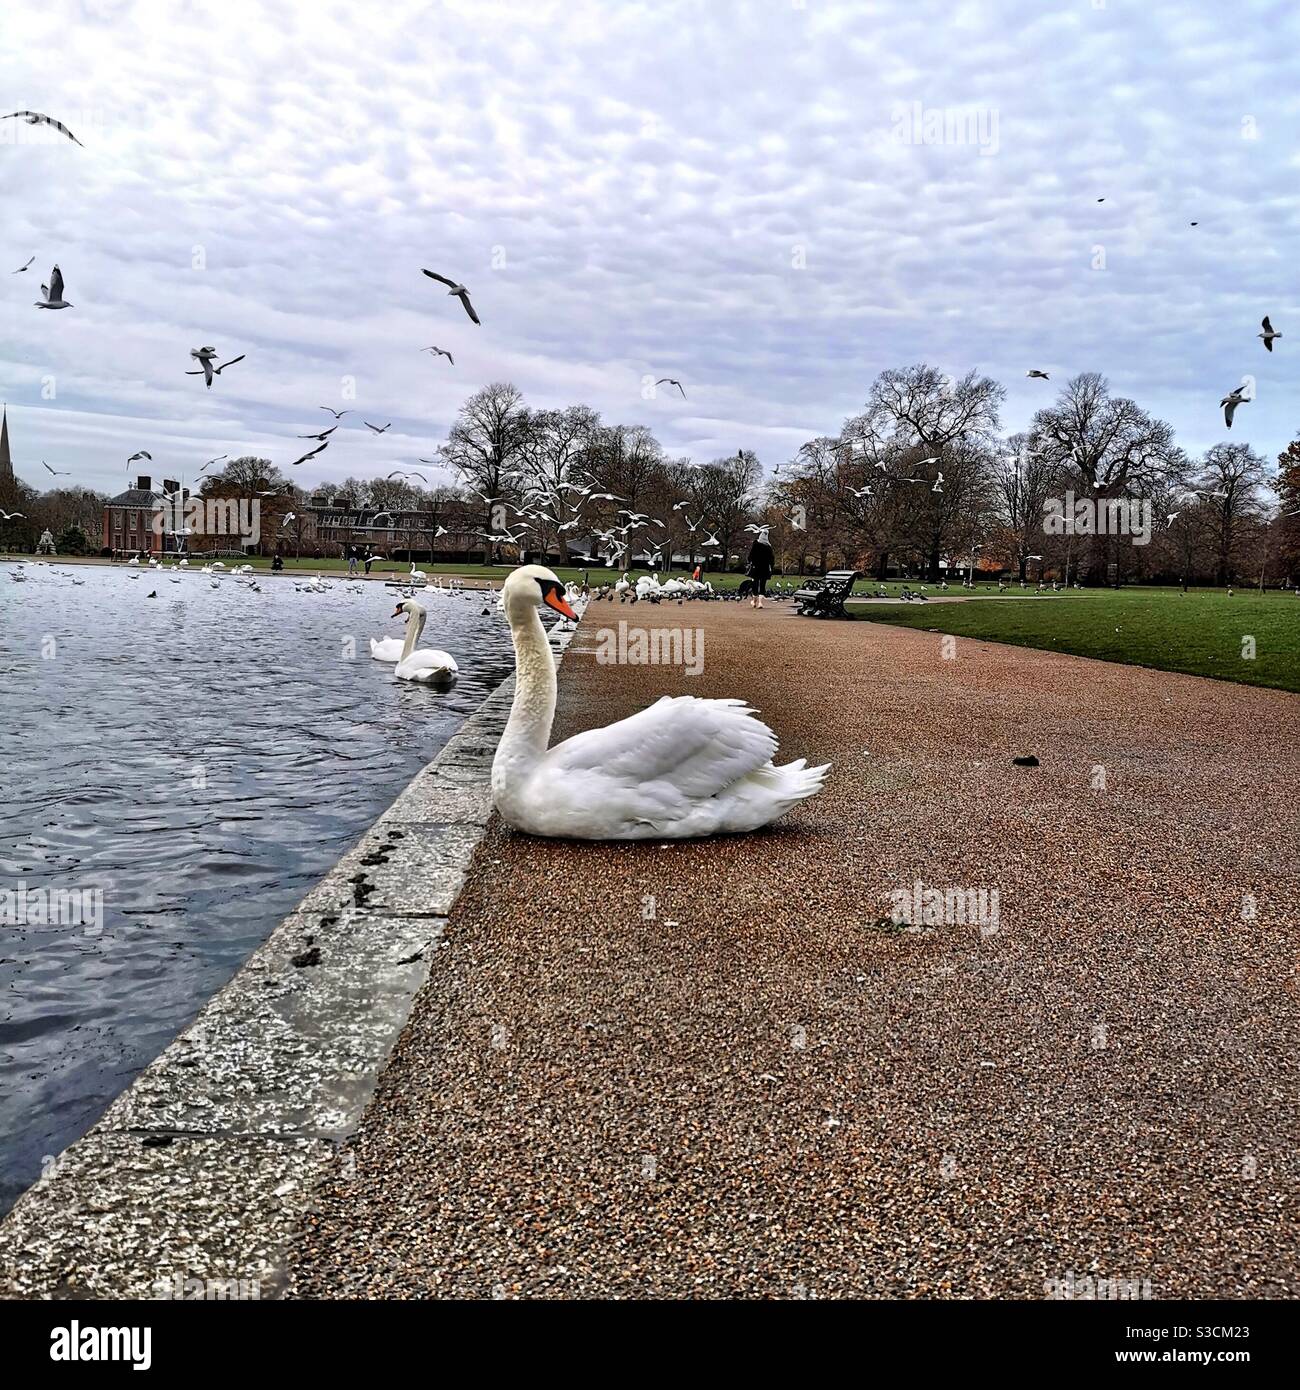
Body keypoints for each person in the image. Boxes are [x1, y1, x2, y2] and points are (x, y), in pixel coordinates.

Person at [745, 527, 775, 609]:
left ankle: (754, 601)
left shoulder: (756, 545)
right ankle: (760, 603)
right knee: (762, 585)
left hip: (755, 568)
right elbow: (772, 559)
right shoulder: (769, 547)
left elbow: (750, 557)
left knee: (755, 584)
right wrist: (771, 568)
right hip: (765, 569)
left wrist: (751, 562)